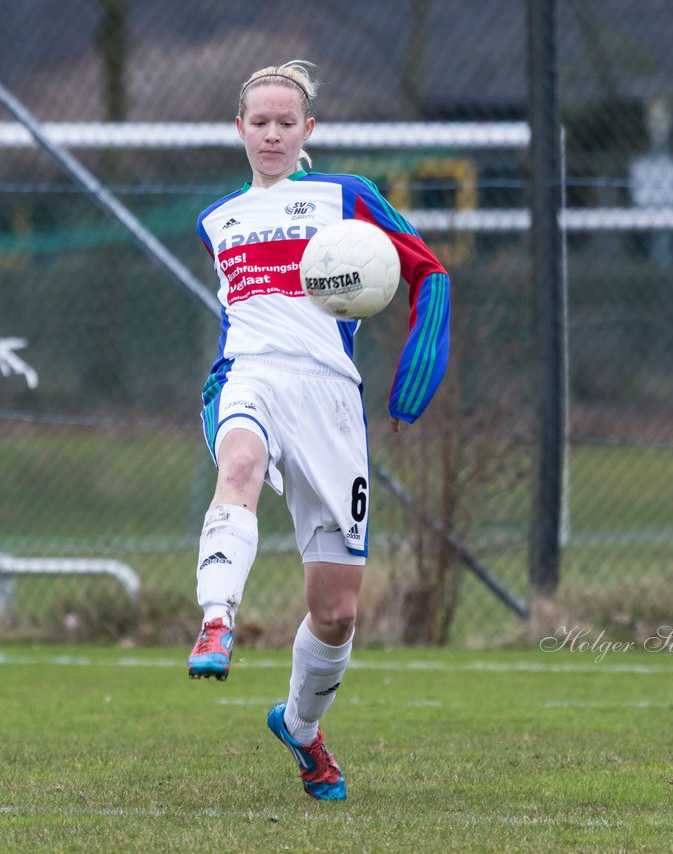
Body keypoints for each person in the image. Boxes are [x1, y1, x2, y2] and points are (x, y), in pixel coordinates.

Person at [187, 60, 451, 801]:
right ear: (239, 130)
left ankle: (302, 729)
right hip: (251, 376)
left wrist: (417, 368)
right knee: (237, 466)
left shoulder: (346, 198)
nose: (272, 134)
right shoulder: (218, 221)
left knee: (336, 611)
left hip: (331, 401)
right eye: (259, 122)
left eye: (285, 121)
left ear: (308, 130)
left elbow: (429, 270)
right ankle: (216, 621)